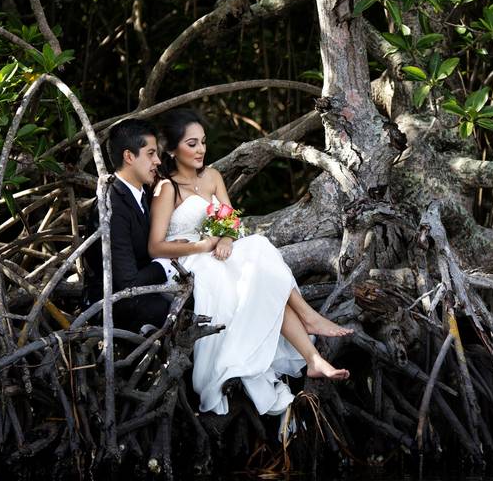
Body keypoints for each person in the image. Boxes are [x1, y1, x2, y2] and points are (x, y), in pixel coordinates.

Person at [148, 109, 352, 416]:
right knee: (258, 255)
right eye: (192, 144)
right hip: (191, 260)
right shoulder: (167, 189)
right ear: (172, 149)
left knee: (258, 251)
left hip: (223, 252)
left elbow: (229, 219)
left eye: (203, 142)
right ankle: (309, 328)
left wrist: (227, 239)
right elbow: (155, 246)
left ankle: (313, 359)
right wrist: (203, 244)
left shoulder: (213, 176)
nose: (201, 149)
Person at [84, 118, 173, 333]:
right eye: (151, 154)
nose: (158, 161)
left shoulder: (140, 193)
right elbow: (128, 284)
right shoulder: (112, 204)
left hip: (141, 292)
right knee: (183, 311)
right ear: (129, 156)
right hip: (115, 305)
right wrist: (165, 264)